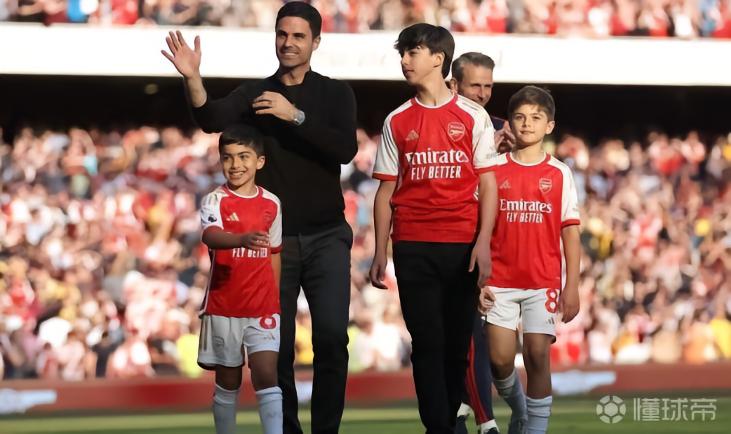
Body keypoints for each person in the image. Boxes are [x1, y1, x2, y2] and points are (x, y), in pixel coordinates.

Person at [162, 3, 357, 433]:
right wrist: (193, 78)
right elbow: (211, 118)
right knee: (276, 347)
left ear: (316, 42)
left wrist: (294, 115)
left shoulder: (335, 93)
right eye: (282, 34)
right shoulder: (255, 92)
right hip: (271, 243)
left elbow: (345, 149)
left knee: (331, 338)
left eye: (299, 36)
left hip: (327, 235)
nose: (288, 43)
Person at [369, 23, 498, 434]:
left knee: (457, 345)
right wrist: (380, 251)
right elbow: (386, 191)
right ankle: (438, 427)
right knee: (426, 344)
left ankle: (451, 420)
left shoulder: (473, 116)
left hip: (462, 245)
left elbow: (488, 184)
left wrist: (483, 243)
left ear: (438, 59)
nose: (404, 61)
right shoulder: (396, 120)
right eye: (403, 53)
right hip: (412, 245)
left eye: (413, 52)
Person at [478, 86, 581, 434]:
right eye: (520, 117)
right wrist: (478, 278)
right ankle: (520, 410)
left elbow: (570, 232)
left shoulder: (560, 173)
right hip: (499, 280)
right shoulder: (492, 169)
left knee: (538, 354)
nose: (527, 124)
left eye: (536, 118)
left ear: (549, 126)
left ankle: (535, 430)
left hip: (542, 281)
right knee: (499, 360)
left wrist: (572, 286)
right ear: (509, 123)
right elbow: (478, 226)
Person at [197, 125, 283, 434]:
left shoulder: (272, 203)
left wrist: (275, 299)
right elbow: (210, 235)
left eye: (244, 156)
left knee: (266, 374)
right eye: (228, 157)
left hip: (263, 307)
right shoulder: (214, 200)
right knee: (228, 380)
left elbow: (275, 253)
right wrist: (240, 239)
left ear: (260, 161)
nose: (235, 165)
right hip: (224, 305)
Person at [449, 51, 515, 434]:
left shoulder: (504, 128)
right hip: (445, 240)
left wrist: (512, 150)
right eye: (475, 85)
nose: (483, 93)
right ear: (454, 84)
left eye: (488, 86)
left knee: (476, 335)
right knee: (448, 337)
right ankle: (467, 413)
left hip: (487, 244)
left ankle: (482, 418)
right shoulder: (442, 123)